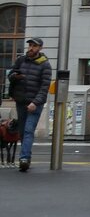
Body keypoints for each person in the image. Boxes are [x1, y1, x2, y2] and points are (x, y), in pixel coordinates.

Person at [8, 37, 53, 172]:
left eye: (34, 46)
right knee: (22, 131)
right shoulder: (21, 60)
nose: (31, 48)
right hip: (21, 101)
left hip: (34, 103)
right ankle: (26, 156)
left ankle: (24, 158)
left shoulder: (45, 65)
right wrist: (15, 76)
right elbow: (11, 74)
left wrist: (35, 102)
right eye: (30, 45)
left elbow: (44, 87)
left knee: (28, 130)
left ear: (40, 48)